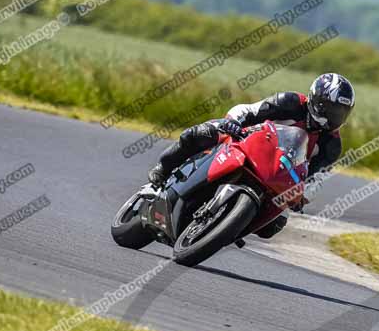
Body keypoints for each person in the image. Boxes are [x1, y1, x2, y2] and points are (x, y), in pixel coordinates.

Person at [147, 73, 356, 238]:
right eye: (331, 109)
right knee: (201, 134)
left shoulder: (331, 145)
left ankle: (227, 227)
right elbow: (249, 110)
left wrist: (304, 195)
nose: (334, 117)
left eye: (341, 112)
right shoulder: (290, 102)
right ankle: (163, 169)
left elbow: (317, 177)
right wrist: (233, 122)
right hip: (245, 141)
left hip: (277, 174)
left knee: (274, 225)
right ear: (317, 100)